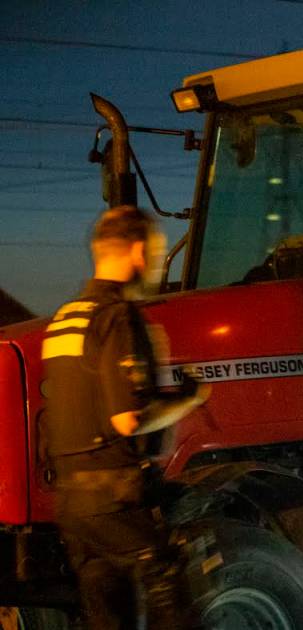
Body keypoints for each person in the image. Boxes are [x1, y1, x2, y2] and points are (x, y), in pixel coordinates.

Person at [41, 205, 208, 630]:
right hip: (114, 499)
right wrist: (189, 400)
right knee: (169, 576)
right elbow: (127, 420)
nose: (156, 264)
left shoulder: (64, 320)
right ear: (136, 252)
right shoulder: (118, 318)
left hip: (73, 506)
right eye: (156, 252)